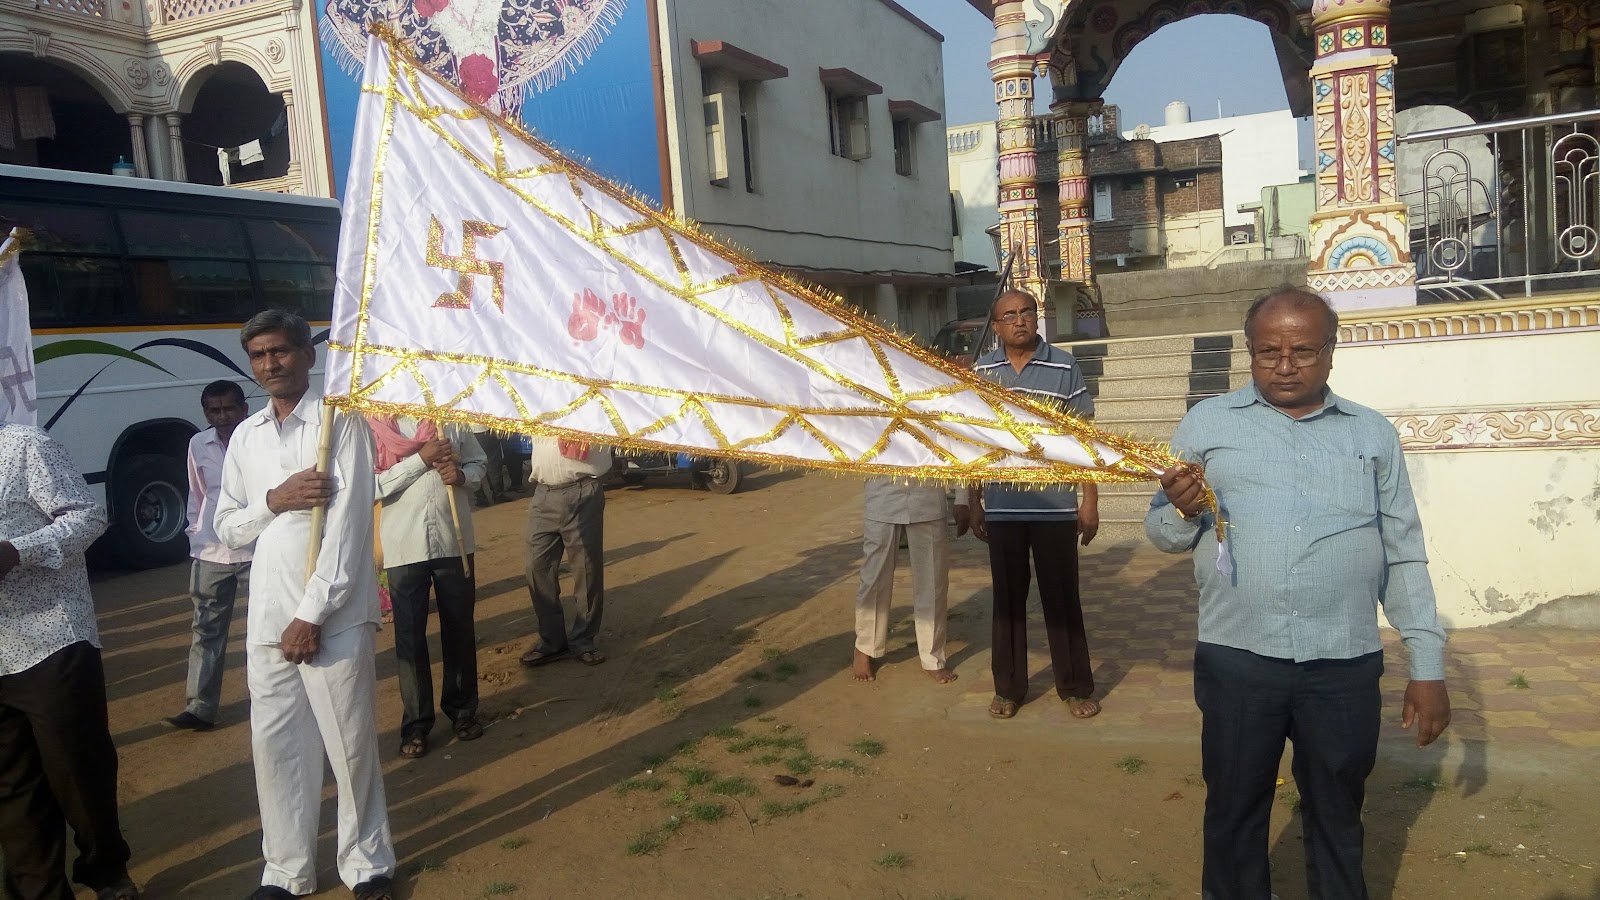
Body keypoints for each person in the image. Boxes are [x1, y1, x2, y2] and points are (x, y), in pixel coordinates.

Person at [1145, 287, 1450, 900]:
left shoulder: (1371, 433)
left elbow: (1404, 549)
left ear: (1331, 353)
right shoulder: (1207, 424)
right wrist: (1178, 512)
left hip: (1342, 661)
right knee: (1233, 811)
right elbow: (1161, 533)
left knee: (1338, 812)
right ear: (1250, 352)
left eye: (1303, 351)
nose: (1285, 365)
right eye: (1269, 352)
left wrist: (1428, 666)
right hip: (1238, 658)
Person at [213, 310, 396, 900]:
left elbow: (346, 533)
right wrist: (276, 498)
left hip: (334, 615)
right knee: (277, 749)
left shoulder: (340, 423)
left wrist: (311, 614)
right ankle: (285, 871)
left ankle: (368, 866)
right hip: (268, 614)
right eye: (260, 355)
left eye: (281, 352)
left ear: (307, 355)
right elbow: (228, 528)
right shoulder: (247, 435)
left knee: (350, 747)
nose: (271, 364)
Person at [0, 423, 141, 900]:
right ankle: (39, 890)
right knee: (12, 787)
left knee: (79, 771)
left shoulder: (22, 446)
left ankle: (106, 871)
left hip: (50, 639)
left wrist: (16, 551)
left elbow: (88, 516)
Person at [964, 290, 1101, 721]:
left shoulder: (1064, 366)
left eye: (1026, 312)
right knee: (1007, 601)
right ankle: (1008, 688)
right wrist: (973, 500)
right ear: (997, 325)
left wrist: (1090, 499)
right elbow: (973, 440)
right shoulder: (983, 370)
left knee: (1062, 599)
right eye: (1009, 315)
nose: (1019, 321)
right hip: (1002, 506)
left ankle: (1075, 687)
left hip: (1056, 507)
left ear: (1036, 318)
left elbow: (1083, 439)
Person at [372, 415, 486, 759]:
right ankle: (416, 723)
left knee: (460, 629)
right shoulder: (374, 427)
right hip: (402, 547)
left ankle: (463, 711)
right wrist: (421, 459)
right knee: (408, 637)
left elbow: (478, 461)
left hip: (454, 541)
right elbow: (369, 486)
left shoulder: (449, 418)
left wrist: (464, 476)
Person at [166, 379, 252, 732]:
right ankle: (200, 708)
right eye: (214, 410)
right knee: (206, 629)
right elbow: (198, 494)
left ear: (244, 409)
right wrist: (194, 533)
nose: (222, 416)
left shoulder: (259, 439)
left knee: (269, 625)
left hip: (257, 547)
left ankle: (282, 697)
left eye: (229, 408)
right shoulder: (198, 443)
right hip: (211, 551)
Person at [852, 477, 958, 684]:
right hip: (882, 495)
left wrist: (962, 497)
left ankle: (932, 657)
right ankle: (864, 647)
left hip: (928, 496)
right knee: (873, 579)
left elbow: (955, 446)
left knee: (933, 581)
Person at [519, 435, 611, 668]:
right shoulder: (539, 406)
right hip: (543, 493)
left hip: (583, 490)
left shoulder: (593, 404)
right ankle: (552, 641)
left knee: (585, 568)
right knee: (536, 567)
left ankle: (584, 640)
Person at [469, 423, 510, 507]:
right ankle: (498, 495)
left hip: (467, 431)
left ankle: (480, 499)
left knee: (472, 464)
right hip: (485, 430)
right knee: (493, 464)